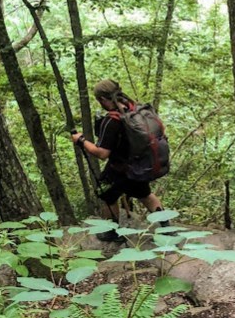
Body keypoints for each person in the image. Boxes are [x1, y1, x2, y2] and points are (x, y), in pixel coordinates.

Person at [71, 79, 168, 243]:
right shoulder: (135, 109)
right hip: (140, 163)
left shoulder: (112, 120)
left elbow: (102, 153)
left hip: (121, 167)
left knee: (107, 195)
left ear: (102, 99)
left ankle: (112, 232)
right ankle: (168, 228)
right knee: (145, 194)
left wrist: (80, 140)